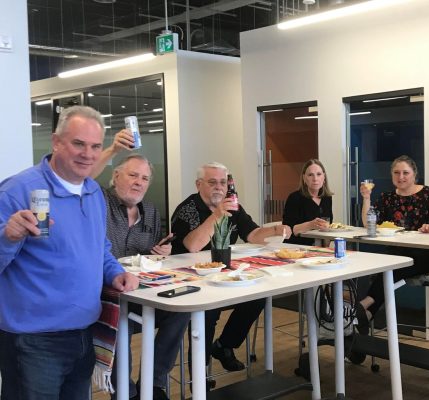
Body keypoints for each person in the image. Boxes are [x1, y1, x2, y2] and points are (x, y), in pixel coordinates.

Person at [0, 105, 139, 400]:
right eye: (78, 143)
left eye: (95, 146)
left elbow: (99, 247)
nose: (88, 154)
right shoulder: (17, 190)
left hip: (83, 333)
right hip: (33, 342)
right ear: (56, 142)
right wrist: (7, 237)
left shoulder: (93, 192)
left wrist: (115, 272)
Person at [170, 162, 291, 372]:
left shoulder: (233, 206)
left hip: (222, 275)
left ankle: (224, 345)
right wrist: (217, 214)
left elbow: (253, 235)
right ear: (199, 184)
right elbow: (193, 245)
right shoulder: (187, 209)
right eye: (212, 182)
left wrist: (275, 230)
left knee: (258, 296)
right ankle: (199, 376)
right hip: (191, 280)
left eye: (223, 183)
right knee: (208, 313)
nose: (219, 187)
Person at [101, 153, 189, 400]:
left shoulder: (150, 211)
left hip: (142, 293)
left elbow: (151, 255)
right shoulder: (99, 203)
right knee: (120, 321)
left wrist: (162, 251)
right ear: (116, 175)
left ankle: (154, 384)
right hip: (106, 296)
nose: (139, 182)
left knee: (180, 309)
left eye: (145, 178)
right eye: (133, 175)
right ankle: (125, 393)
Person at [355, 155, 429, 334]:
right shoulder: (387, 197)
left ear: (414, 174)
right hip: (399, 253)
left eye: (406, 172)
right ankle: (365, 314)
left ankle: (364, 305)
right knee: (386, 266)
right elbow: (368, 224)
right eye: (396, 173)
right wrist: (366, 198)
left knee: (391, 268)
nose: (401, 177)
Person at [283, 159, 333, 245]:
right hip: (297, 247)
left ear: (324, 177)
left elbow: (328, 226)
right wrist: (310, 225)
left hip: (320, 248)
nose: (315, 179)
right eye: (310, 175)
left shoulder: (327, 198)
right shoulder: (294, 198)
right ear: (304, 178)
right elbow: (288, 230)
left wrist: (327, 249)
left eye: (319, 174)